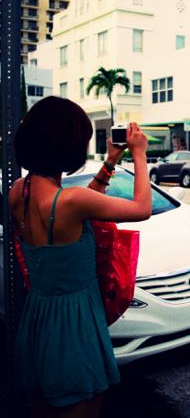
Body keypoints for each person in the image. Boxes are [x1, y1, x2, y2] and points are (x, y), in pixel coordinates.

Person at [9, 96, 152, 417]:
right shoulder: (70, 202)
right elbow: (142, 208)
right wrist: (140, 154)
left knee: (46, 405)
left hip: (40, 316)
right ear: (68, 146)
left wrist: (110, 162)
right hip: (74, 324)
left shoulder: (19, 190)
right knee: (82, 403)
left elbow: (78, 206)